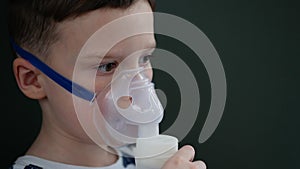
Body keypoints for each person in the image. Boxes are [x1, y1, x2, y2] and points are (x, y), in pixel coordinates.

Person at [8, 0, 207, 168]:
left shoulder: (138, 161)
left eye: (144, 58)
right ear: (32, 80)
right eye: (107, 66)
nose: (136, 85)